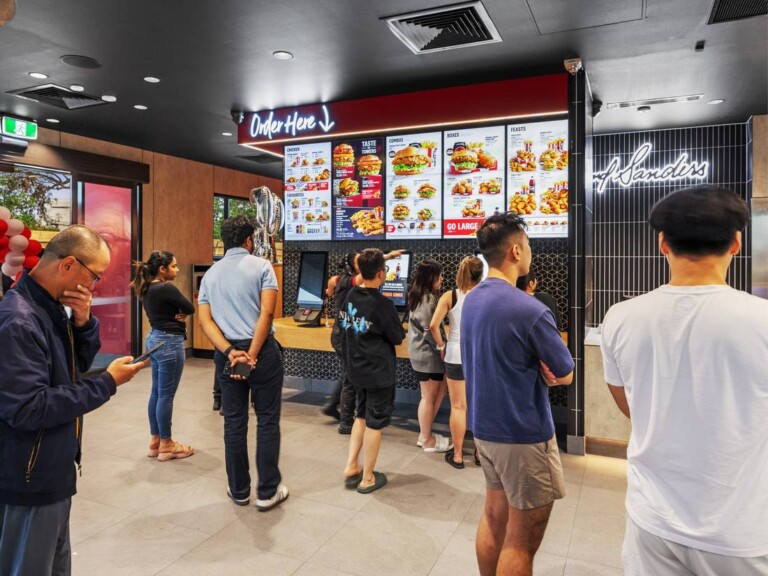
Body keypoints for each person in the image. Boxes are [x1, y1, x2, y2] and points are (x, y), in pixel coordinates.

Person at [600, 185, 768, 575]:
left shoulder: (621, 317)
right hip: (740, 531)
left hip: (651, 522)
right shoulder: (761, 320)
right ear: (736, 242)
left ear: (662, 243)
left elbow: (629, 404)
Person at [0, 225, 145, 576]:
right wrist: (107, 382)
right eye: (94, 276)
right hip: (29, 475)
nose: (93, 285)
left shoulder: (48, 307)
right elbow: (28, 408)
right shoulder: (20, 319)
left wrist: (83, 323)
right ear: (68, 265)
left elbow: (71, 369)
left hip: (51, 465)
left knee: (54, 562)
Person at [462, 212, 574, 576]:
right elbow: (565, 372)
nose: (530, 252)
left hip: (484, 431)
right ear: (514, 251)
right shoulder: (530, 309)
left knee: (493, 516)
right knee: (521, 542)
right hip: (523, 435)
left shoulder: (471, 300)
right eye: (528, 245)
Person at [197, 215, 288, 511]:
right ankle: (267, 492)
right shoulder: (262, 267)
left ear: (225, 240)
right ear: (249, 240)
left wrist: (229, 352)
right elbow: (267, 313)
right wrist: (253, 353)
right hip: (262, 353)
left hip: (228, 356)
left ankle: (239, 490)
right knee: (267, 420)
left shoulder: (210, 275)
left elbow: (205, 321)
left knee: (234, 422)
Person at [340, 248, 405, 494]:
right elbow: (397, 336)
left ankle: (351, 466)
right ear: (381, 273)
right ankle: (367, 477)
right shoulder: (383, 304)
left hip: (355, 369)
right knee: (375, 423)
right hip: (378, 372)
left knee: (361, 416)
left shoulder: (350, 295)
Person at [323, 249, 404, 434]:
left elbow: (367, 271)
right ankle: (345, 422)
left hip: (348, 339)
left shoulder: (346, 288)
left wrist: (385, 258)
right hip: (364, 358)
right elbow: (397, 337)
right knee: (350, 384)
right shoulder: (350, 284)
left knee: (352, 386)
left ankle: (344, 418)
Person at [131, 250, 195, 461]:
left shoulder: (146, 287)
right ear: (162, 269)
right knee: (166, 395)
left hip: (154, 340)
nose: (177, 270)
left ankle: (155, 441)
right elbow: (190, 307)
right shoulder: (166, 288)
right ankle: (167, 445)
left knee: (157, 393)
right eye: (173, 266)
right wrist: (182, 313)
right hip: (170, 343)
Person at [429, 255, 483, 469]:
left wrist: (441, 345)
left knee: (458, 407)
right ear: (480, 275)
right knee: (478, 405)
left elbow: (433, 325)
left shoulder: (449, 296)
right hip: (479, 356)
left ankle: (458, 455)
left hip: (454, 354)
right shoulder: (485, 295)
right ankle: (480, 453)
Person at [407, 259, 450, 453]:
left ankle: (425, 434)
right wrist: (442, 348)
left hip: (421, 353)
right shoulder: (426, 300)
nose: (442, 279)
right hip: (427, 355)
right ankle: (425, 439)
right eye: (439, 276)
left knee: (437, 391)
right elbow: (429, 329)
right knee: (428, 397)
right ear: (430, 277)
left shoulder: (418, 295)